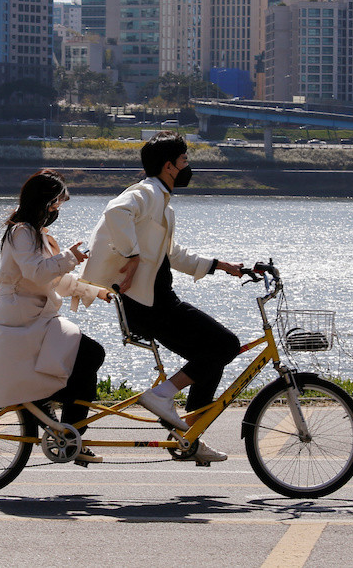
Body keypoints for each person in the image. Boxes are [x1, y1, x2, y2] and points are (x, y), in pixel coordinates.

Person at [82, 131, 242, 464]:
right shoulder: (148, 193)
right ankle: (161, 395)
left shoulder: (162, 203)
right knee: (225, 344)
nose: (187, 167)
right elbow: (115, 211)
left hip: (155, 302)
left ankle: (187, 437)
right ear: (169, 166)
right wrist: (132, 255)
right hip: (151, 305)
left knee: (210, 359)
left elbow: (173, 255)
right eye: (184, 160)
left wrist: (221, 266)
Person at [0, 169, 110, 465]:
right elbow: (37, 272)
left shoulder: (35, 233)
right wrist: (71, 257)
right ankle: (67, 429)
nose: (57, 211)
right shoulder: (21, 232)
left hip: (35, 316)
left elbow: (49, 279)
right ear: (45, 202)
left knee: (88, 356)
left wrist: (97, 292)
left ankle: (63, 426)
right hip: (23, 319)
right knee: (90, 353)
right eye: (56, 205)